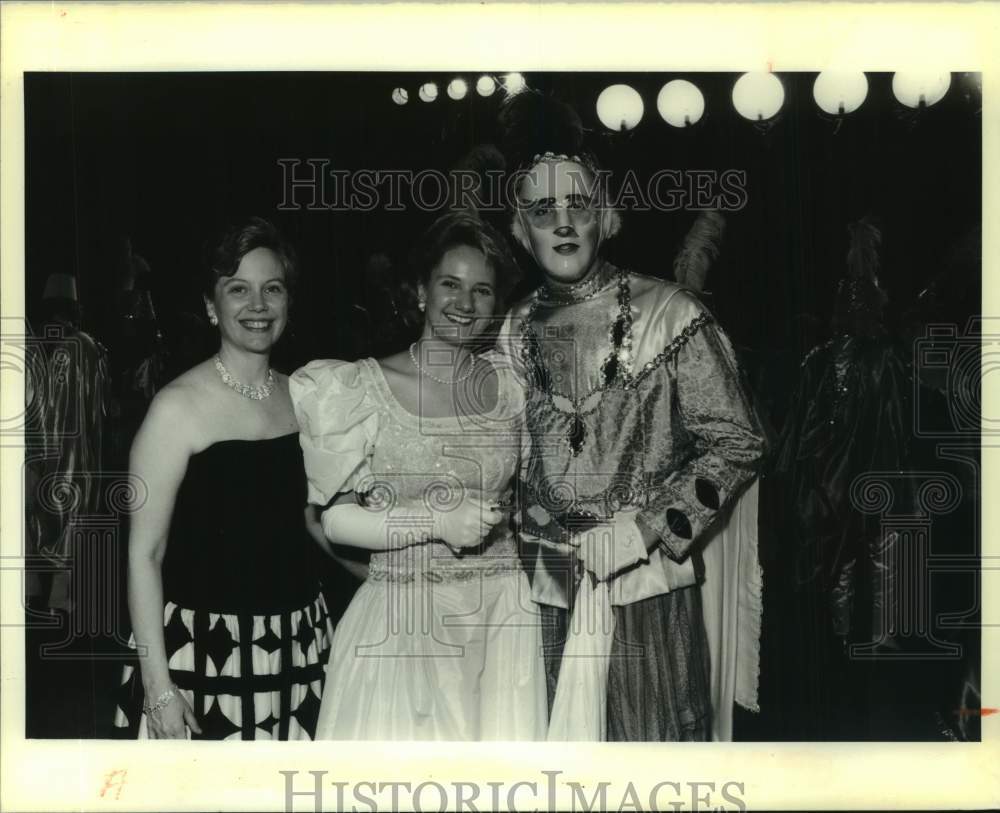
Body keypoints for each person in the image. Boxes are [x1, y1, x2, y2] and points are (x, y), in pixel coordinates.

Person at [498, 92, 767, 741]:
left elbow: (739, 440)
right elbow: (510, 460)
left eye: (578, 206)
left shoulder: (668, 315)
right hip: (551, 596)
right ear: (520, 228)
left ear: (606, 217)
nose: (562, 224)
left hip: (647, 592)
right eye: (542, 210)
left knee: (653, 762)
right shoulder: (513, 331)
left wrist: (648, 527)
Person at [290, 212, 547, 740]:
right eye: (450, 284)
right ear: (419, 292)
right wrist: (435, 520)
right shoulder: (359, 385)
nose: (465, 303)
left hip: (501, 616)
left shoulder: (515, 384)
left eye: (482, 290)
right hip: (403, 627)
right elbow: (335, 522)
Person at [113, 217, 331, 740]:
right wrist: (158, 686)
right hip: (200, 655)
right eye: (238, 289)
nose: (257, 305)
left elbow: (313, 524)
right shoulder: (176, 409)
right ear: (212, 306)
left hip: (298, 645)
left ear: (288, 302)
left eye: (271, 288)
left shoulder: (307, 397)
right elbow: (145, 555)